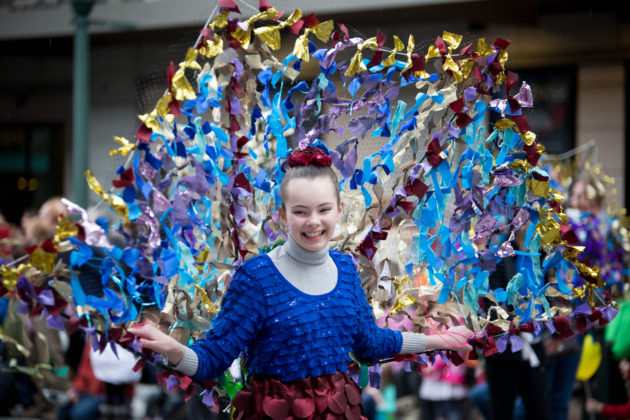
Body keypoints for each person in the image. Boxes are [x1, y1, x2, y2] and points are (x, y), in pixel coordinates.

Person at [132, 146, 473, 419]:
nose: (314, 222)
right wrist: (175, 350)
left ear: (339, 210)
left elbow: (369, 343)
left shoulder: (346, 269)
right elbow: (213, 359)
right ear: (282, 215)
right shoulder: (256, 278)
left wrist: (436, 340)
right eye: (300, 211)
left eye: (323, 209)